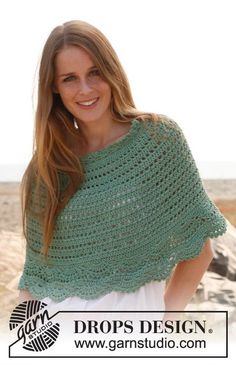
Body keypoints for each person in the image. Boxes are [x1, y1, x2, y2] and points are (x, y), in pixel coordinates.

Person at [18, 20, 227, 321]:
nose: (85, 89)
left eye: (94, 72)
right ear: (54, 87)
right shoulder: (46, 167)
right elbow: (34, 280)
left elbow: (199, 248)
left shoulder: (158, 140)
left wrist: (165, 323)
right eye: (69, 78)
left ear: (111, 70)